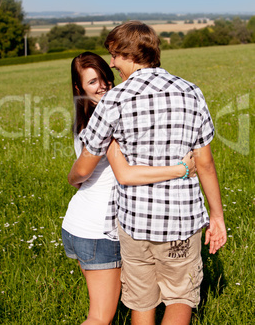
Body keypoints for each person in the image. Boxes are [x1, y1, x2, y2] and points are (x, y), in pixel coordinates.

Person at [69, 22, 227, 325]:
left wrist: (72, 178)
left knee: (142, 301)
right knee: (180, 299)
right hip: (183, 222)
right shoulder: (191, 92)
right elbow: (204, 163)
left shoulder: (114, 100)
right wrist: (216, 216)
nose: (112, 64)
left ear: (127, 55)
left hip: (135, 224)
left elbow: (87, 159)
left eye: (113, 56)